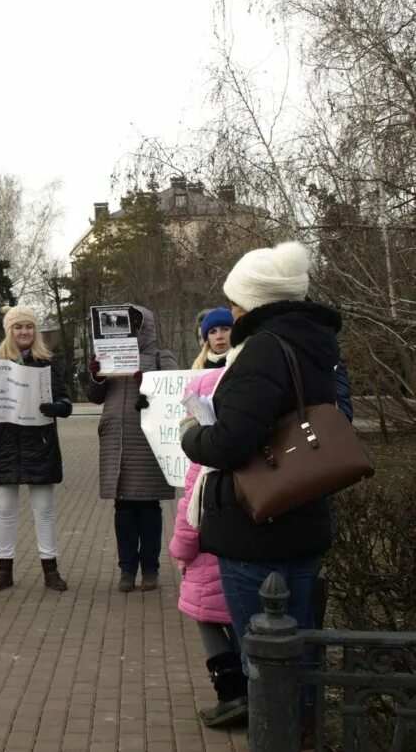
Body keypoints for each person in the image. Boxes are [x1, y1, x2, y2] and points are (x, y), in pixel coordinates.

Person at [180, 241, 339, 670]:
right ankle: (302, 730)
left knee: (264, 654)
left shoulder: (262, 351)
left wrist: (192, 435)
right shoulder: (314, 344)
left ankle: (277, 732)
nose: (231, 314)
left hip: (257, 523)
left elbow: (231, 442)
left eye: (235, 303)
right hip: (303, 508)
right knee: (300, 641)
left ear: (252, 303)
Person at [0, 305, 73, 592]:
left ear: (36, 331)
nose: (25, 331)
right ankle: (4, 569)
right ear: (9, 332)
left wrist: (59, 406)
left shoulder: (47, 363)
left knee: (44, 510)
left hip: (40, 445)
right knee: (5, 510)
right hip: (6, 446)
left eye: (29, 326)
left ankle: (50, 570)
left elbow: (64, 400)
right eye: (19, 327)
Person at [168, 352, 247, 727]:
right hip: (244, 556)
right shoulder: (246, 452)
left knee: (207, 621)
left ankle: (231, 694)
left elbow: (189, 517)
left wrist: (179, 552)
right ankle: (252, 691)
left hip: (206, 562)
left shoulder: (201, 464)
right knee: (243, 623)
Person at [88, 305, 178, 593]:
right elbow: (95, 397)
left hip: (148, 441)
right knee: (123, 508)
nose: (134, 334)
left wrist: (149, 383)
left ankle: (150, 569)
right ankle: (127, 570)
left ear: (146, 329)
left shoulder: (161, 358)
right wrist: (97, 376)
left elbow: (175, 393)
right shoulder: (107, 355)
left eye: (138, 327)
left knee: (150, 508)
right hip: (117, 440)